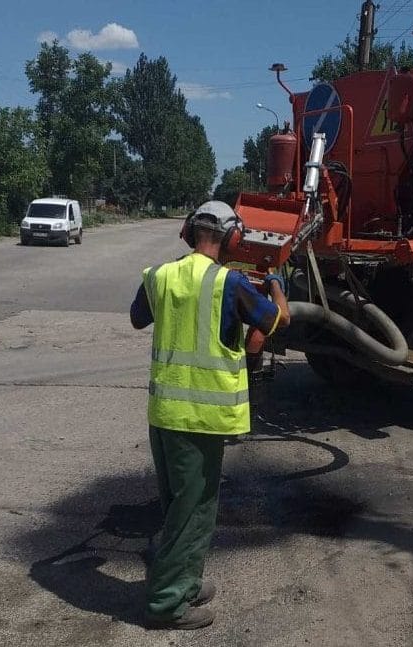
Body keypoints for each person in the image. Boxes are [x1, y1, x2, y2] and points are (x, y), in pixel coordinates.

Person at [130, 201, 290, 630]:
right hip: (201, 417)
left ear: (187, 231)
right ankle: (166, 605)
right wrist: (274, 283)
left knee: (176, 506)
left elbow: (136, 319)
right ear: (233, 239)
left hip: (163, 413)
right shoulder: (230, 283)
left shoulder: (161, 275)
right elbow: (275, 320)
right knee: (194, 511)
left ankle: (184, 582)